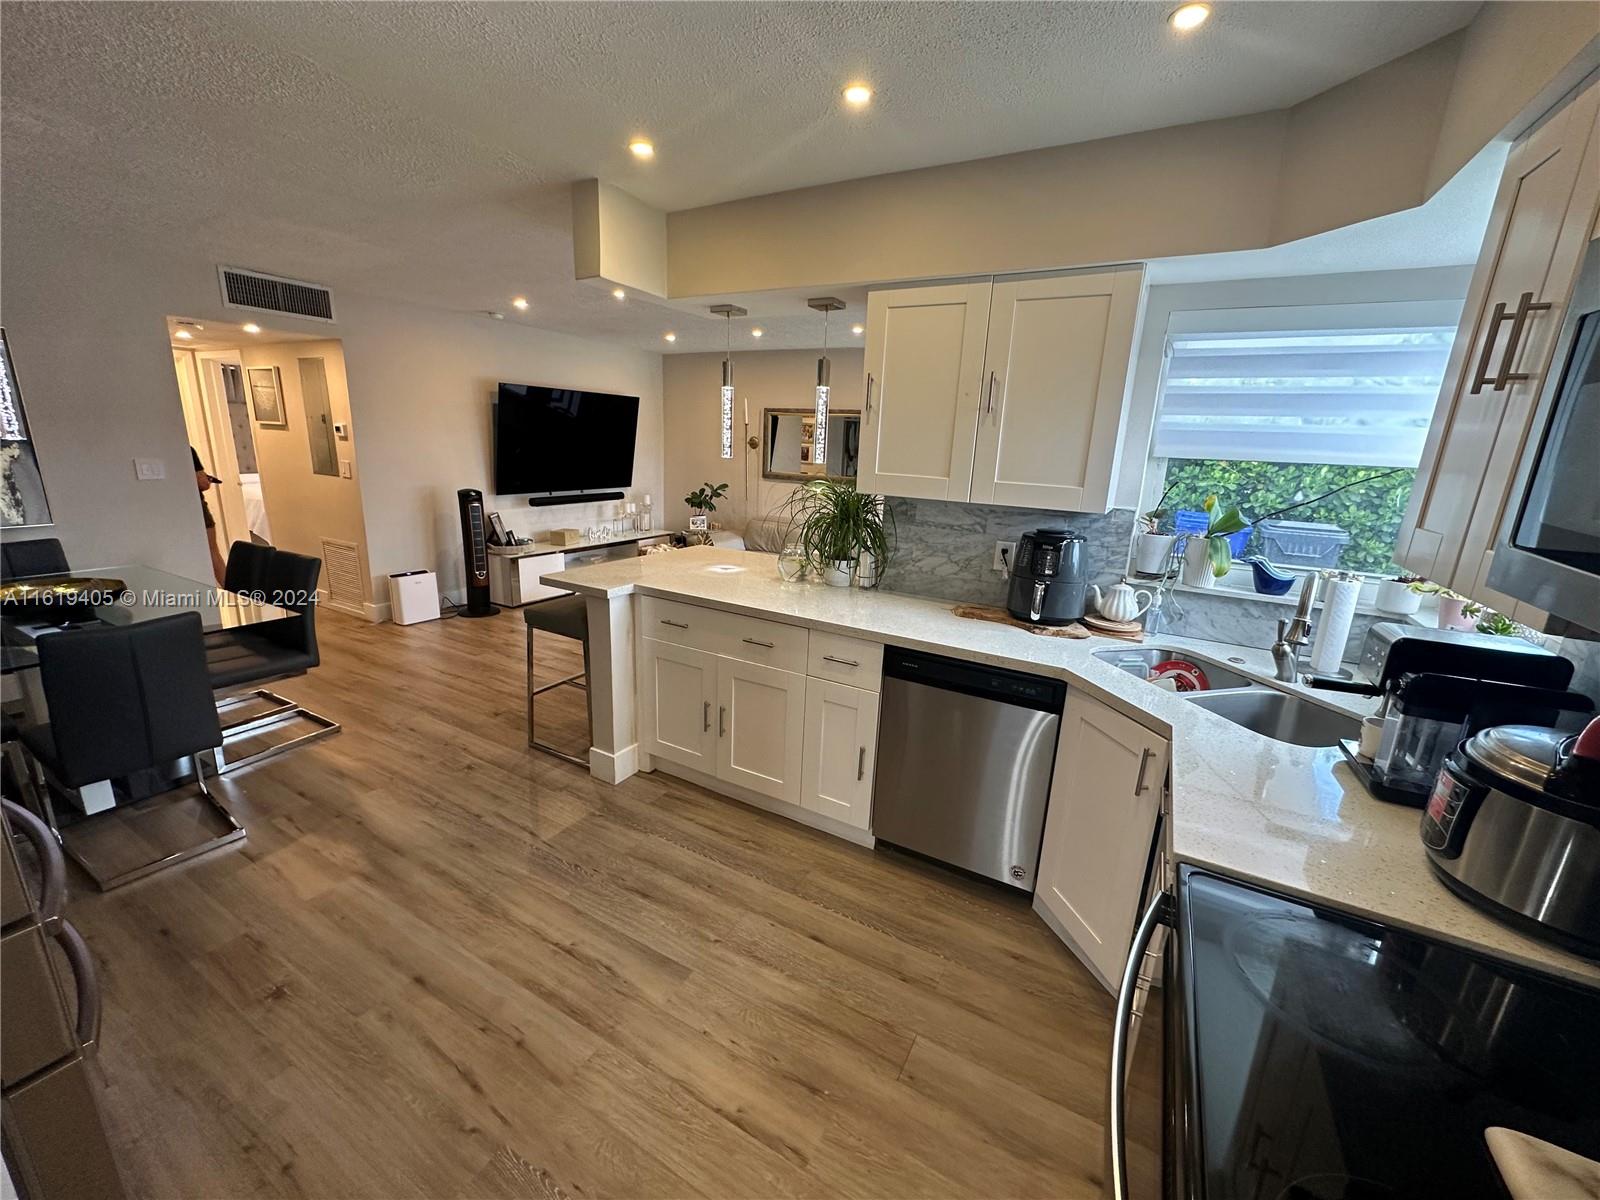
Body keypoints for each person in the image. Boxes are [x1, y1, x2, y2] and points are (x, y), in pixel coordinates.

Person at [192, 446, 226, 585]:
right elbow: (202, 483)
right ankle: (232, 591)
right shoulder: (186, 450)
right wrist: (205, 478)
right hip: (195, 505)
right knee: (212, 551)